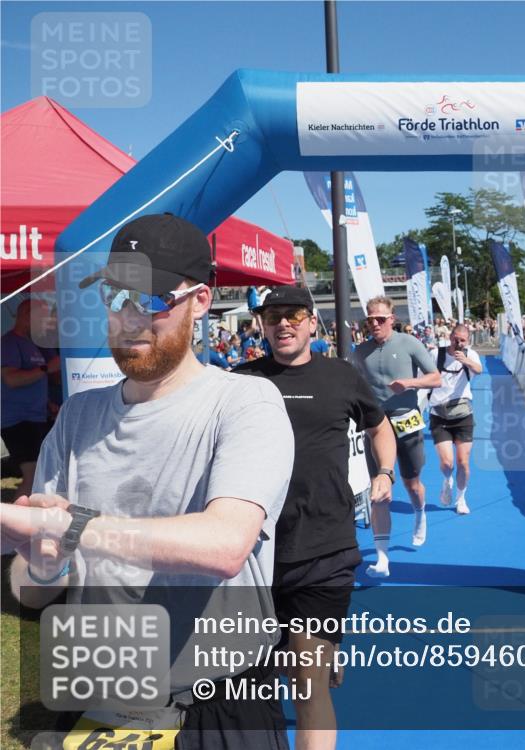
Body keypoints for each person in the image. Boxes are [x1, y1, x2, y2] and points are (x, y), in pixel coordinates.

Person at [0, 213, 295, 749]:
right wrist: (44, 558)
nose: (128, 317)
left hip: (215, 699)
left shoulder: (244, 402)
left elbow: (224, 545)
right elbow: (34, 591)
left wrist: (71, 526)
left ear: (200, 302)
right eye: (113, 298)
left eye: (151, 300)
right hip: (105, 695)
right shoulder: (77, 417)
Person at [236, 285, 396, 750]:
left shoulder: (341, 376)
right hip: (252, 551)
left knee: (308, 687)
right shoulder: (238, 380)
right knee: (257, 680)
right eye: (273, 317)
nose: (282, 324)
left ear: (311, 322)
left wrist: (384, 471)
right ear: (261, 326)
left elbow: (378, 423)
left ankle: (317, 658)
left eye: (292, 315)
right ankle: (318, 654)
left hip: (324, 548)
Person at [351, 296, 441, 577]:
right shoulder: (360, 351)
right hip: (377, 427)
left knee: (412, 484)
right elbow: (353, 384)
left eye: (380, 319)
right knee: (379, 492)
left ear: (392, 319)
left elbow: (436, 378)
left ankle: (419, 513)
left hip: (407, 421)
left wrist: (410, 383)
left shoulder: (409, 343)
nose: (375, 324)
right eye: (370, 320)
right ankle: (382, 559)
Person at [1, 299, 59, 493]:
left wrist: (48, 403)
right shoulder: (9, 343)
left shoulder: (31, 344)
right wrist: (45, 368)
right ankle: (15, 522)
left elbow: (36, 382)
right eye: (41, 318)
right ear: (27, 316)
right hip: (18, 421)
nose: (45, 323)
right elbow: (11, 380)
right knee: (32, 477)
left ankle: (31, 519)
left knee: (42, 477)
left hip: (36, 418)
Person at [429, 324, 483, 515]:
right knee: (447, 464)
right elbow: (425, 376)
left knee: (463, 462)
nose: (458, 343)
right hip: (439, 414)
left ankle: (461, 498)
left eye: (462, 340)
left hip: (463, 414)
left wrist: (466, 361)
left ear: (467, 340)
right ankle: (447, 481)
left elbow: (479, 369)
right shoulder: (436, 354)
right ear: (450, 337)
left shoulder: (471, 355)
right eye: (455, 339)